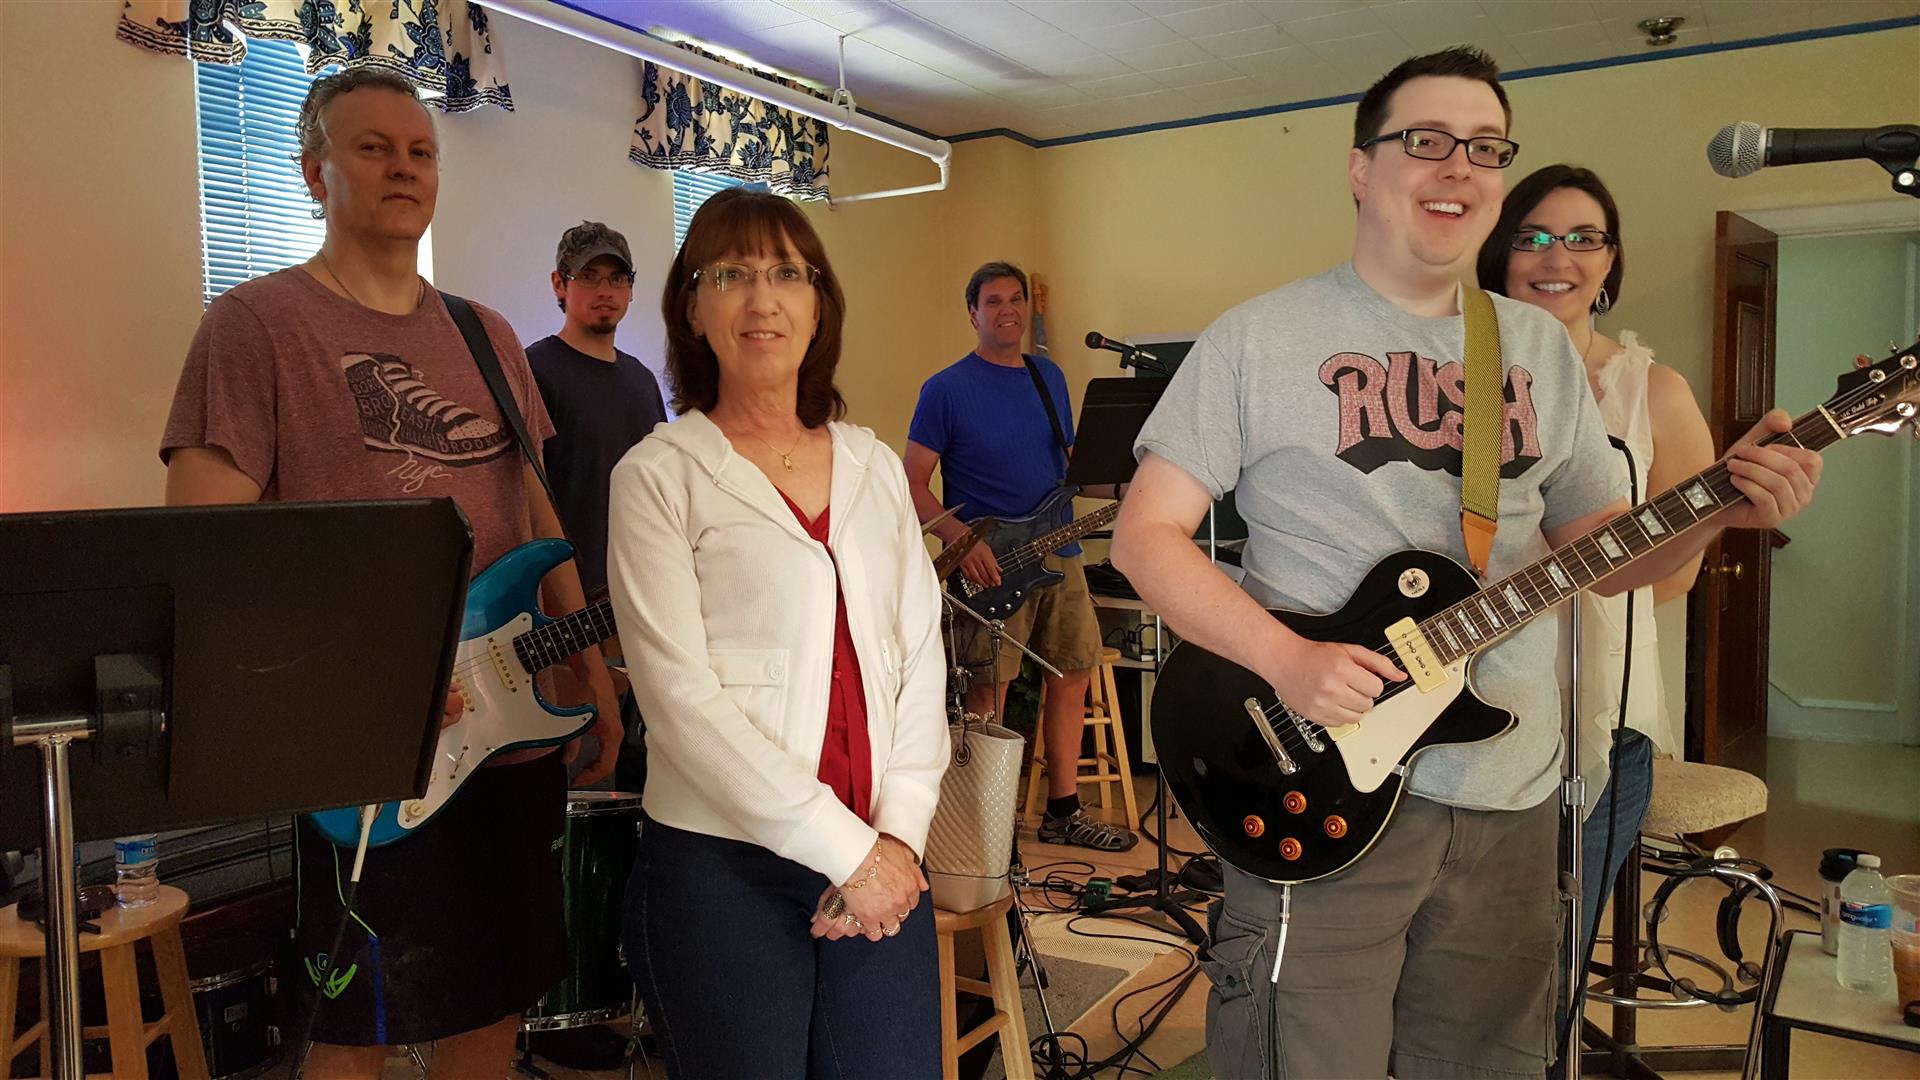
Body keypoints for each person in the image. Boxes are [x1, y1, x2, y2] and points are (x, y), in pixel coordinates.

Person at [1111, 47, 1822, 1079]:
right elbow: (1145, 537)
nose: (1460, 167)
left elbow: (1599, 552)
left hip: (1511, 792)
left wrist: (1720, 513)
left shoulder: (1535, 347)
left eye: (1487, 148)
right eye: (1427, 141)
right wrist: (1286, 660)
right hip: (1318, 777)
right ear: (1362, 169)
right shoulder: (1259, 338)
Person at [159, 69, 621, 1080]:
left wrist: (590, 666)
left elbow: (535, 509)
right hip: (359, 747)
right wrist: (338, 675)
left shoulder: (486, 334)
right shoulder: (254, 325)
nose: (402, 167)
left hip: (509, 729)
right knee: (354, 1025)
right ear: (314, 172)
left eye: (420, 151)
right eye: (372, 148)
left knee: (494, 1003)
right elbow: (202, 554)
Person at [606, 188, 947, 1077]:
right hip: (723, 870)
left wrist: (897, 841)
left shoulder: (874, 467)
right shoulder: (658, 476)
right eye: (731, 275)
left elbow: (920, 658)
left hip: (884, 850)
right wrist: (848, 853)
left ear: (819, 304)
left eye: (788, 274)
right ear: (692, 307)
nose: (763, 299)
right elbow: (680, 703)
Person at [1477, 164, 1716, 961]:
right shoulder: (1450, 377)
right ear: (1500, 252)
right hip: (1456, 708)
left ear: (1611, 261)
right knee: (1460, 955)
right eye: (1533, 236)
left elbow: (1677, 569)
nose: (1558, 257)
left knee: (1548, 958)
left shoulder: (1657, 393)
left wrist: (1555, 602)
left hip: (1601, 717)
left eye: (1584, 238)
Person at [905, 261, 1137, 853]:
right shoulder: (945, 389)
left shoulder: (1047, 376)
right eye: (993, 301)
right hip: (990, 563)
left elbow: (1074, 467)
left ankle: (1063, 811)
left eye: (1015, 299)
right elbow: (911, 482)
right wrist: (962, 541)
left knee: (1073, 672)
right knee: (990, 691)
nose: (1007, 310)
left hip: (1062, 552)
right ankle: (987, 826)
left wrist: (1128, 487)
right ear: (973, 313)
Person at [527, 220, 670, 793]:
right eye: (589, 276)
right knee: (579, 775)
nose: (605, 290)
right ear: (560, 284)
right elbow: (524, 500)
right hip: (566, 617)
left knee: (639, 779)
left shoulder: (640, 380)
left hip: (638, 608)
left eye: (617, 278)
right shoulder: (535, 371)